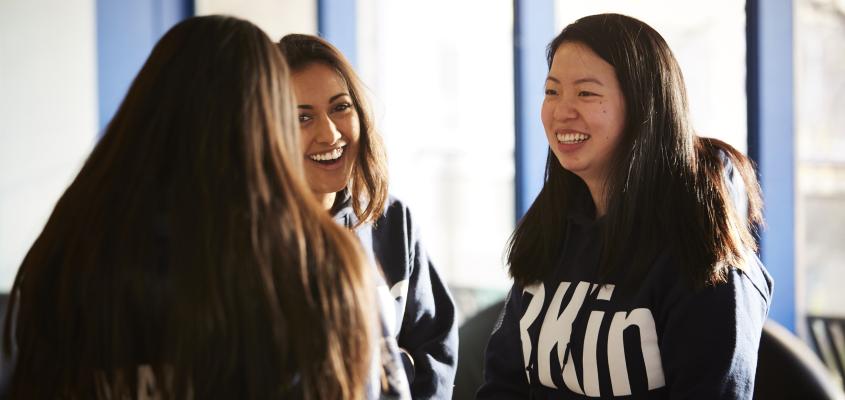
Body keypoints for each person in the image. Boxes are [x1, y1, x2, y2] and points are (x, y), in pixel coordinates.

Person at [2, 15, 395, 400]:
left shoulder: (61, 257)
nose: (325, 133)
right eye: (297, 116)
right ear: (263, 125)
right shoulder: (320, 266)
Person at [478, 13, 772, 399]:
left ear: (643, 105)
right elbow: (503, 384)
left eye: (586, 93)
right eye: (552, 91)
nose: (561, 110)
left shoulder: (703, 249)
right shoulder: (552, 228)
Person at [277, 34, 458, 399]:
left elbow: (436, 361)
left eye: (340, 107)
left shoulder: (391, 221)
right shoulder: (255, 238)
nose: (329, 133)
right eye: (303, 118)